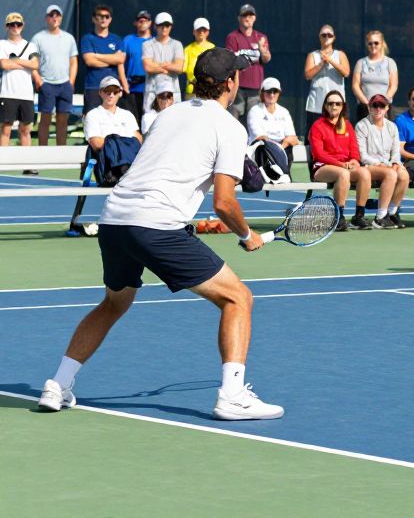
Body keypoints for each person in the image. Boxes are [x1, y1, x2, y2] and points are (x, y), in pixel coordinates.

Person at [37, 47, 284, 421]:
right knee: (238, 299)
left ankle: (58, 384)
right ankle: (232, 395)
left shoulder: (167, 115)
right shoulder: (230, 128)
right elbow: (223, 203)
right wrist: (247, 234)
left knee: (114, 303)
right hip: (157, 226)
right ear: (230, 84)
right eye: (236, 75)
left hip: (114, 220)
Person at [308, 90, 373, 231]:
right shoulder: (318, 126)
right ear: (325, 106)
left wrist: (355, 160)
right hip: (322, 167)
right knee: (343, 174)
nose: (334, 106)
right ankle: (338, 218)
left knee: (365, 173)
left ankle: (358, 216)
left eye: (338, 103)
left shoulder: (347, 125)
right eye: (331, 103)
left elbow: (354, 149)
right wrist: (341, 165)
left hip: (345, 166)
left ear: (343, 106)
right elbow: (319, 154)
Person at [355, 94, 410, 229]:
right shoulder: (362, 126)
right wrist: (379, 164)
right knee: (391, 174)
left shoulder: (392, 127)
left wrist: (396, 163)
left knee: (404, 175)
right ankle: (379, 217)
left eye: (382, 106)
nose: (378, 109)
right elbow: (362, 155)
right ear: (369, 108)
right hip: (367, 166)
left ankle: (391, 213)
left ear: (387, 108)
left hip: (387, 165)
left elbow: (396, 151)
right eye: (375, 105)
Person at [30, 4, 78, 146]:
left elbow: (74, 61)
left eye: (57, 15)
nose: (54, 18)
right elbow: (32, 62)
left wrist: (71, 83)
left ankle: (61, 152)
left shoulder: (69, 38)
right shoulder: (38, 38)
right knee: (44, 119)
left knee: (62, 120)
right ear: (47, 18)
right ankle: (43, 152)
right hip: (46, 85)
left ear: (61, 18)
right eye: (51, 15)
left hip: (65, 85)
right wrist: (38, 80)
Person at [225, 3, 272, 121]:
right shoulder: (233, 37)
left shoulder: (261, 37)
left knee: (253, 122)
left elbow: (266, 59)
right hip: (238, 87)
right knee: (234, 121)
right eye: (244, 15)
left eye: (250, 16)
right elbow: (233, 60)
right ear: (239, 18)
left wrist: (262, 51)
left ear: (254, 18)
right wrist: (255, 57)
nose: (247, 18)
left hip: (255, 88)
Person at [0, 11, 40, 147]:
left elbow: (35, 64)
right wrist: (25, 64)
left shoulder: (31, 46)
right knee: (6, 129)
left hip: (26, 95)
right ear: (7, 26)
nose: (15, 27)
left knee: (25, 130)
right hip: (8, 93)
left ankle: (27, 165)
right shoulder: (2, 44)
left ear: (22, 26)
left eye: (18, 24)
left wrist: (15, 61)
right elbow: (4, 64)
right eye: (12, 24)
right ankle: (2, 164)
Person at [80, 5, 128, 115]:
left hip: (113, 87)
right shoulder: (87, 38)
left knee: (114, 123)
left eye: (107, 16)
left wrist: (97, 55)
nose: (103, 19)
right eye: (100, 16)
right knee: (91, 121)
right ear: (93, 19)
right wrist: (112, 60)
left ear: (110, 19)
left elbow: (120, 59)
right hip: (93, 87)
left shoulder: (116, 39)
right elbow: (89, 61)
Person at [247, 77, 300, 176]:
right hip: (261, 153)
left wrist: (280, 148)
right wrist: (280, 146)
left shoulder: (284, 112)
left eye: (275, 91)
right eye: (268, 91)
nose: (272, 95)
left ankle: (283, 174)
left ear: (279, 93)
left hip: (282, 151)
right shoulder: (255, 111)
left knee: (288, 149)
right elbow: (261, 138)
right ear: (262, 93)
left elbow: (293, 138)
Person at [304, 23, 349, 131]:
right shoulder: (312, 55)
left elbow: (346, 72)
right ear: (319, 37)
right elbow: (308, 75)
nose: (326, 37)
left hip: (336, 105)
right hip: (316, 105)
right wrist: (321, 64)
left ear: (334, 38)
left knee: (338, 134)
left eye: (329, 35)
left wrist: (330, 60)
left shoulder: (340, 54)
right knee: (313, 135)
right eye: (323, 35)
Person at [84, 76, 142, 150]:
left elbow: (138, 141)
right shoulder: (92, 115)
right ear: (100, 93)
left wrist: (110, 142)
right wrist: (126, 143)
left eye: (115, 92)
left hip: (128, 159)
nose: (111, 95)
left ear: (120, 93)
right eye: (107, 91)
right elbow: (97, 144)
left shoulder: (128, 115)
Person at [142, 12, 185, 109]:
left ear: (171, 26)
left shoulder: (177, 44)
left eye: (167, 25)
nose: (164, 28)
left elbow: (179, 68)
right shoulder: (147, 44)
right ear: (155, 26)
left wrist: (157, 65)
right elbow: (148, 67)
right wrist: (168, 67)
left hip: (173, 95)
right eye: (161, 25)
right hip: (152, 93)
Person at [351, 30, 397, 121]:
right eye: (370, 43)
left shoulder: (390, 62)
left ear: (382, 43)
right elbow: (355, 86)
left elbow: (393, 86)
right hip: (364, 109)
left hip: (385, 109)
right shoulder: (360, 63)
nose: (373, 46)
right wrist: (367, 103)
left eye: (376, 43)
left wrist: (383, 103)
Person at [122, 10, 153, 122]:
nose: (143, 23)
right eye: (140, 20)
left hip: (150, 90)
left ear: (150, 23)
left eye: (146, 20)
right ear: (136, 23)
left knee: (148, 123)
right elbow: (120, 63)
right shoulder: (128, 40)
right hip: (132, 89)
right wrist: (124, 83)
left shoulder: (155, 41)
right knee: (132, 123)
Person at [183, 17, 216, 99]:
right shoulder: (187, 49)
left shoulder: (213, 48)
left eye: (204, 30)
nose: (201, 32)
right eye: (198, 30)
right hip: (192, 91)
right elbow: (183, 69)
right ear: (193, 32)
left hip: (208, 91)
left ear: (208, 32)